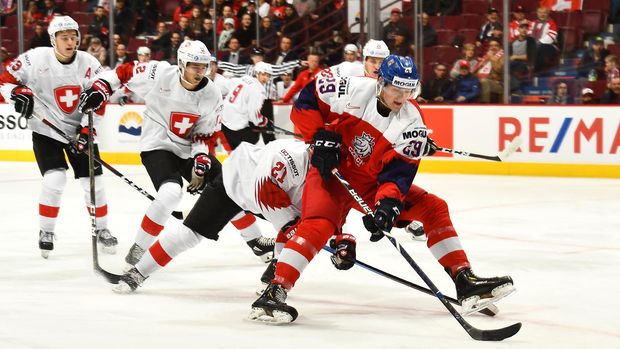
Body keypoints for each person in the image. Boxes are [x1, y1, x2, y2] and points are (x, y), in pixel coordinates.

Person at [249, 55, 514, 323]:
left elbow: (397, 174)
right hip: (331, 172)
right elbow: (308, 98)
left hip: (368, 185)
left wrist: (387, 206)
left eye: (408, 90)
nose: (402, 97)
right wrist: (317, 136)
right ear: (380, 83)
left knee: (434, 208)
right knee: (319, 224)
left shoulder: (413, 123)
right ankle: (274, 292)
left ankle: (465, 281)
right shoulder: (351, 88)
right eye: (396, 89)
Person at [77, 40, 223, 270]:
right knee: (171, 193)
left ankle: (255, 241)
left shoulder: (212, 93)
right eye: (195, 65)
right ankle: (138, 250)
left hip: (186, 149)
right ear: (182, 63)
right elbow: (124, 72)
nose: (200, 71)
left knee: (223, 186)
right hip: (157, 145)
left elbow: (205, 134)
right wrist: (101, 88)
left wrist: (201, 156)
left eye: (204, 66)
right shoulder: (159, 73)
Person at [113, 138, 309, 294]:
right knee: (188, 235)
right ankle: (138, 273)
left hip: (264, 194)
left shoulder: (321, 179)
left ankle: (274, 277)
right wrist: (289, 226)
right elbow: (263, 190)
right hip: (235, 181)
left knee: (295, 226)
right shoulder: (293, 155)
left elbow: (298, 222)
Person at [0, 16, 118, 258]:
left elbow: (100, 98)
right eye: (64, 37)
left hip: (79, 131)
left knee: (94, 184)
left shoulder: (90, 63)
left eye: (74, 37)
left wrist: (87, 130)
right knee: (55, 180)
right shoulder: (34, 59)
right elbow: (4, 82)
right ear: (53, 40)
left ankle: (103, 229)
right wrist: (17, 92)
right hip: (47, 130)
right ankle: (46, 231)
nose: (70, 41)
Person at [219, 47, 303, 145]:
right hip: (249, 104)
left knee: (268, 132)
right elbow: (232, 67)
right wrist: (218, 63)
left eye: (260, 56)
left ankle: (269, 148)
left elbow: (282, 68)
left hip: (266, 102)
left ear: (263, 57)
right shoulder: (247, 69)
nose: (258, 59)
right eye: (255, 56)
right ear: (252, 57)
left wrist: (298, 63)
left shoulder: (269, 68)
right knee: (252, 130)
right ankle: (251, 147)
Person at [221, 61, 272, 149]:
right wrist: (263, 121)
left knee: (236, 153)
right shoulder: (257, 90)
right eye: (263, 74)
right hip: (236, 126)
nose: (265, 78)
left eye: (268, 75)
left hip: (224, 122)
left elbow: (226, 87)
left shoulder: (243, 78)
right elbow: (254, 115)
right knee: (256, 144)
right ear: (257, 73)